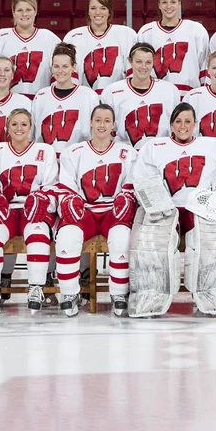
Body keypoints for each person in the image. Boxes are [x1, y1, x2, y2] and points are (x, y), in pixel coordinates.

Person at [129, 102, 216, 315]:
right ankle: (150, 295)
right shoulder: (154, 148)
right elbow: (143, 181)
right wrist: (158, 206)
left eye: (188, 121)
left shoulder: (213, 146)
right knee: (151, 246)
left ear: (195, 124)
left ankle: (214, 294)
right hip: (166, 212)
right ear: (171, 124)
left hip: (201, 211)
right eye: (178, 121)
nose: (183, 126)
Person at [54, 105, 138, 316]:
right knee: (67, 236)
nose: (102, 125)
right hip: (85, 211)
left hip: (113, 212)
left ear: (113, 125)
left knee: (122, 238)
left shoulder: (127, 153)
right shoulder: (74, 152)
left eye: (107, 121)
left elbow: (131, 185)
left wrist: (126, 199)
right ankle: (69, 294)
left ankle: (119, 293)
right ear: (90, 122)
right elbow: (67, 186)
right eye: (98, 120)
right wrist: (71, 202)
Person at [0, 109, 59, 316]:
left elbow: (51, 185)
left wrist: (42, 201)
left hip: (34, 209)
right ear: (7, 128)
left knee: (38, 234)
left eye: (24, 124)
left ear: (31, 128)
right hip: (6, 208)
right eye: (14, 124)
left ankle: (36, 287)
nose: (19, 128)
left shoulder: (45, 150)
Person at [0, 0, 61, 96]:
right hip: (8, 102)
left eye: (28, 10)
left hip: (41, 100)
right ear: (13, 13)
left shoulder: (50, 38)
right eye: (20, 10)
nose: (24, 14)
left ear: (35, 11)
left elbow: (60, 74)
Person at [102, 42, 181, 147]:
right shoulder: (112, 92)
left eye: (148, 62)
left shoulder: (170, 91)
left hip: (161, 152)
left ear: (154, 62)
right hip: (125, 152)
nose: (143, 67)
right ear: (130, 61)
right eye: (139, 62)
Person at [31, 43, 102, 155]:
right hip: (47, 159)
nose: (60, 71)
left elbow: (95, 133)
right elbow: (33, 134)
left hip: (79, 158)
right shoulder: (41, 96)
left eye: (65, 66)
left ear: (73, 67)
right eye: (56, 66)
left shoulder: (88, 95)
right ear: (51, 67)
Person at [135, 0, 209, 90]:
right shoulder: (146, 32)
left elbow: (204, 66)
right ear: (159, 5)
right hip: (157, 93)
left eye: (173, 2)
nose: (169, 6)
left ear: (179, 4)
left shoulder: (196, 30)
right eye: (164, 2)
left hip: (189, 93)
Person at [63, 0, 136, 94]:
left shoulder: (125, 34)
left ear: (109, 11)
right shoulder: (73, 37)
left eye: (103, 8)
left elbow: (132, 74)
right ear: (88, 11)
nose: (98, 12)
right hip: (84, 97)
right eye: (93, 8)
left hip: (117, 96)